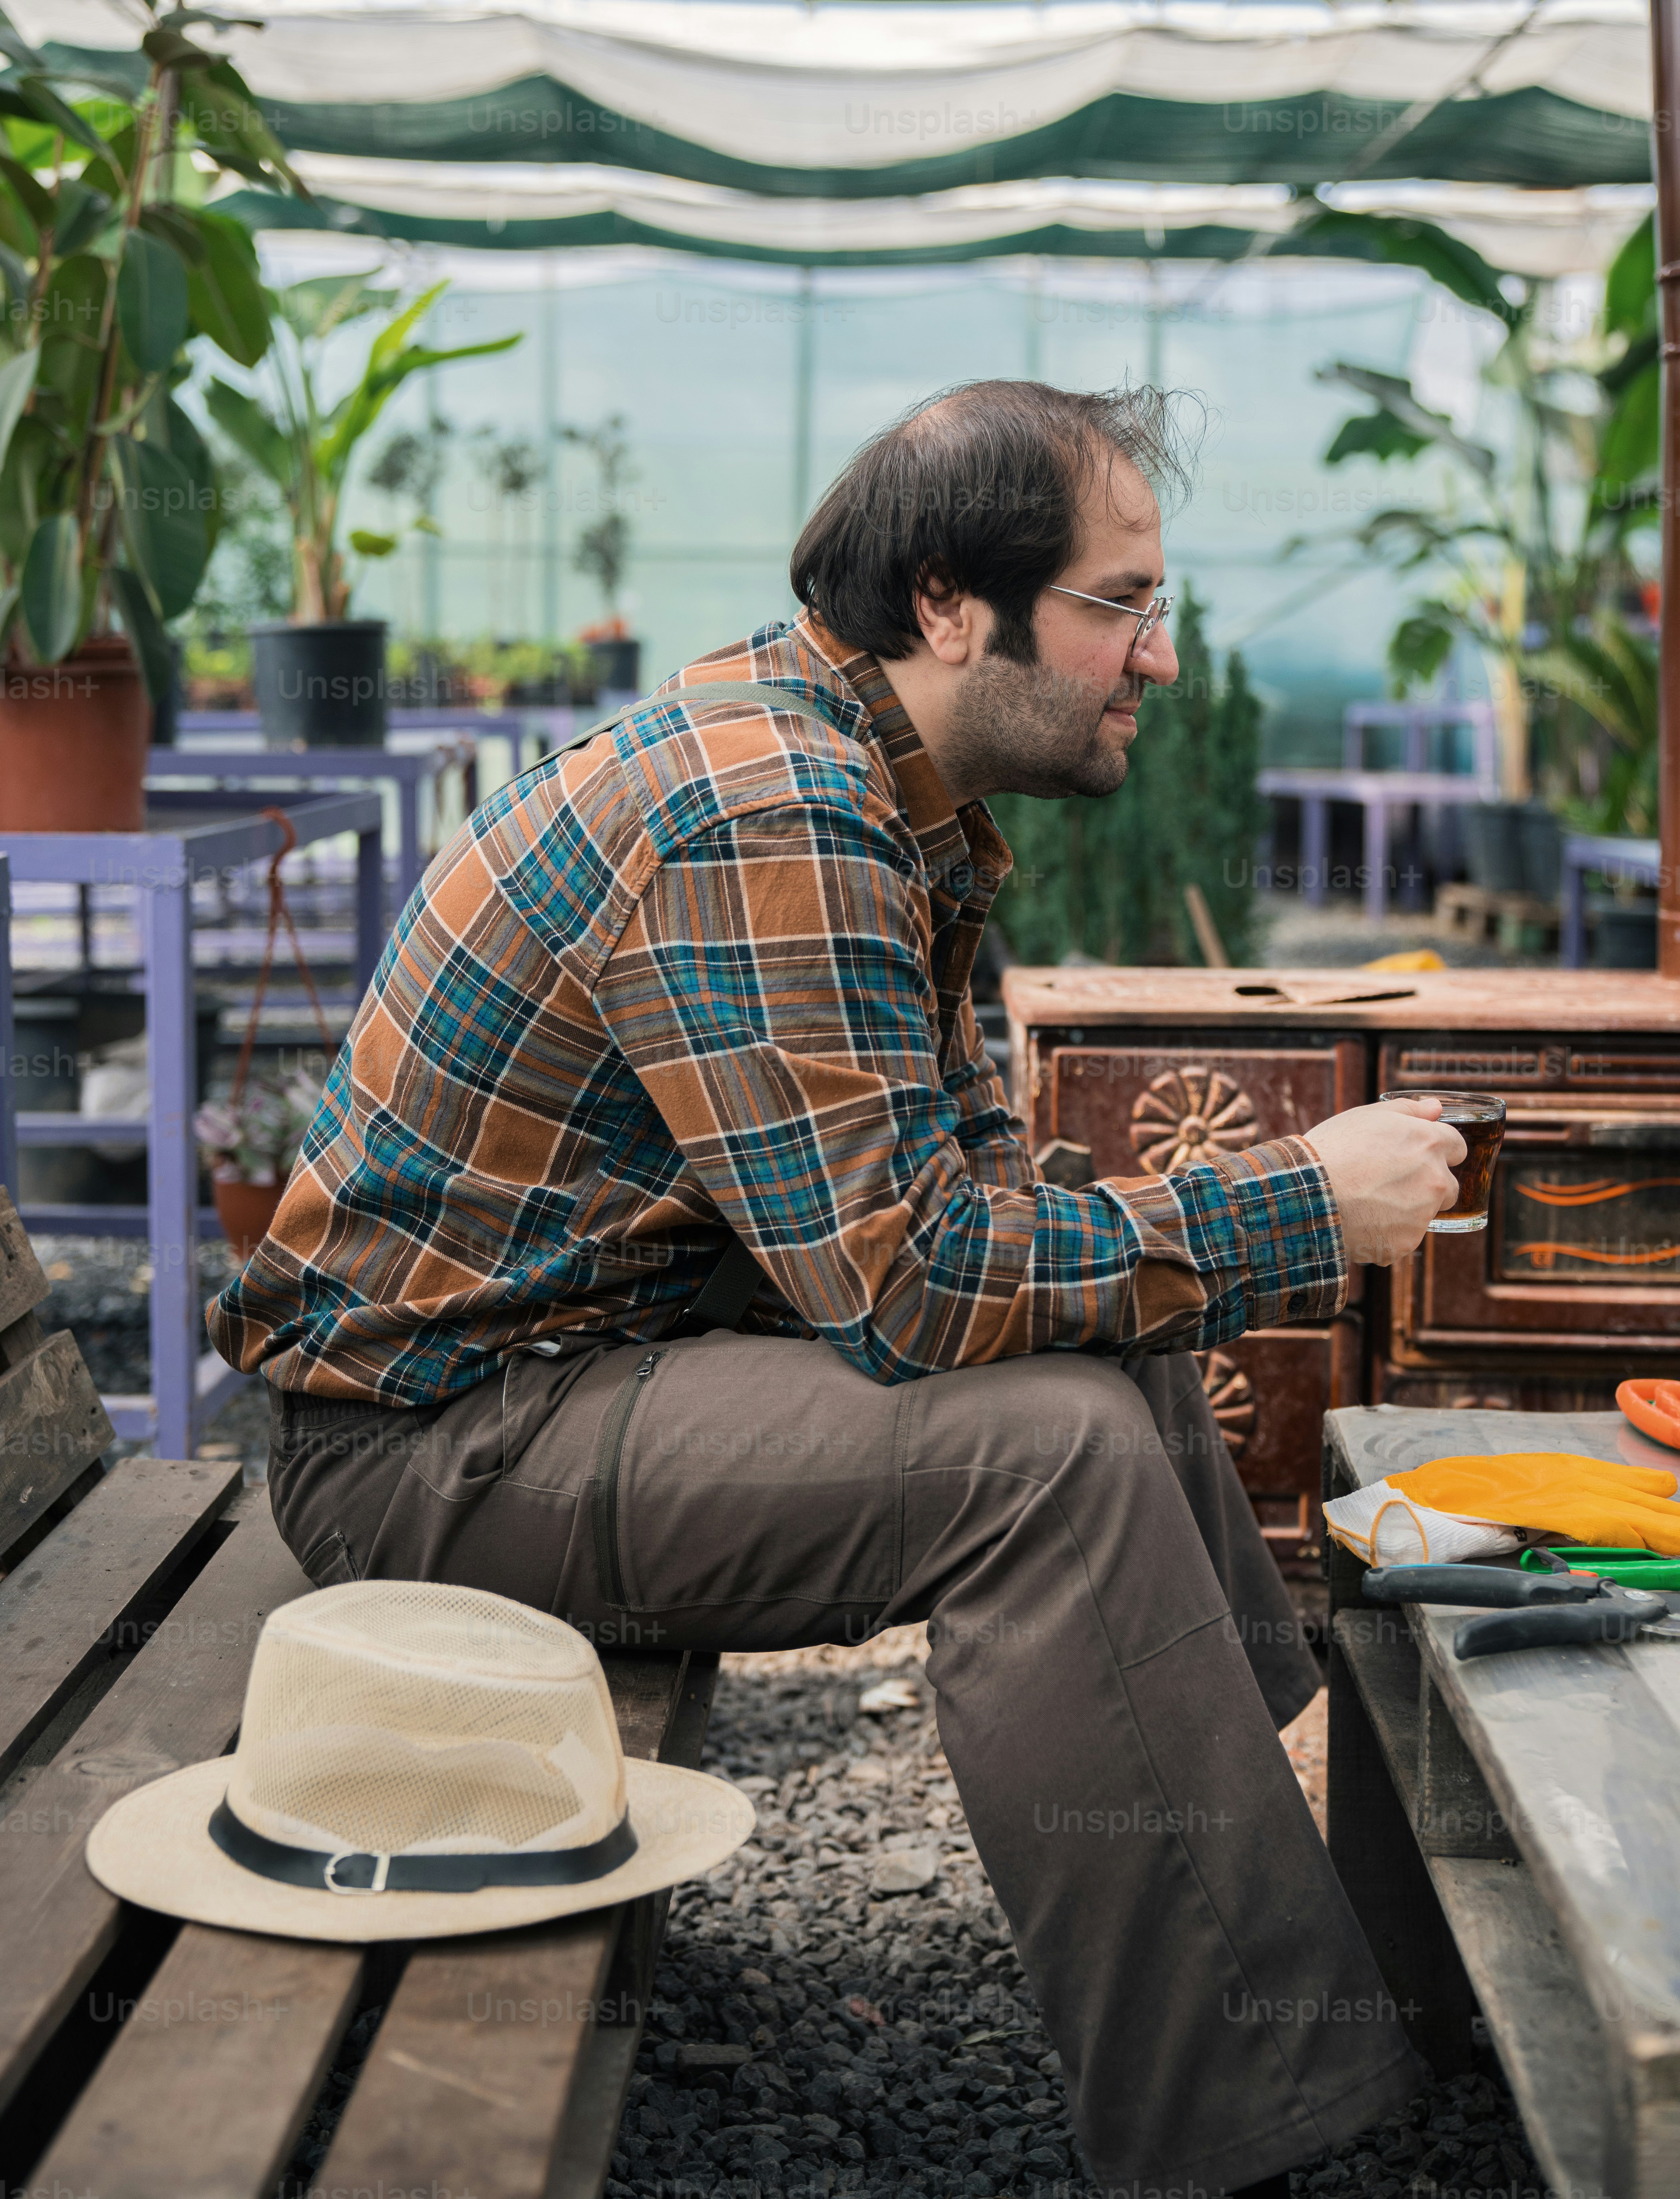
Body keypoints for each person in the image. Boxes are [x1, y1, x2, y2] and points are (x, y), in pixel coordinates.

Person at [213, 379, 1464, 2199]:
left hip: (589, 1372)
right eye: (1121, 603)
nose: (1162, 660)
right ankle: (1250, 2129)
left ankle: (1302, 1927)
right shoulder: (765, 810)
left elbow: (955, 1208)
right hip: (426, 1449)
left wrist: (1189, 1233)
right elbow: (907, 1291)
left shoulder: (875, 786)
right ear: (954, 603)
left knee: (1105, 1375)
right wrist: (1287, 1203)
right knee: (1048, 1452)